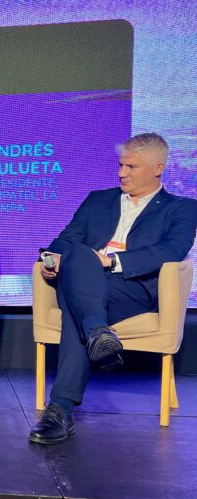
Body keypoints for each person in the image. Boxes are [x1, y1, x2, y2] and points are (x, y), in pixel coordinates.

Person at [29, 133, 197, 444]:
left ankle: (61, 407)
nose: (121, 173)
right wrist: (50, 259)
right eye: (121, 165)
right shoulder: (98, 199)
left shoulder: (182, 208)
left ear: (158, 168)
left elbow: (171, 250)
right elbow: (66, 240)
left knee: (77, 297)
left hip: (133, 288)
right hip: (83, 278)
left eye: (131, 167)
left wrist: (111, 260)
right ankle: (96, 335)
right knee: (78, 255)